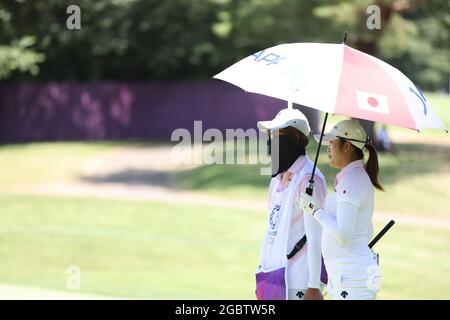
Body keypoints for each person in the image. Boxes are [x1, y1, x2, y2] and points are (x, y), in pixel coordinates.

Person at [299, 119, 382, 300]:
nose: (328, 148)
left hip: (352, 277)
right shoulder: (354, 177)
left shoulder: (351, 181)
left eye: (332, 143)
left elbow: (343, 235)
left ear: (346, 147)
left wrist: (315, 210)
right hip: (347, 275)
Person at [255, 107, 327, 300]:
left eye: (277, 135)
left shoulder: (309, 179)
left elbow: (316, 237)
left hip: (298, 283)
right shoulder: (276, 179)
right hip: (271, 273)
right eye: (271, 135)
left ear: (294, 138)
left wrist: (314, 286)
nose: (272, 142)